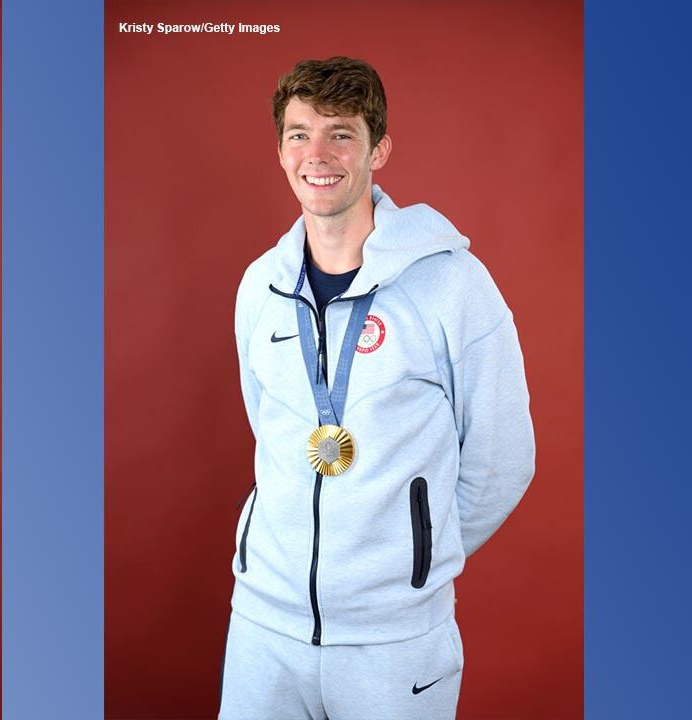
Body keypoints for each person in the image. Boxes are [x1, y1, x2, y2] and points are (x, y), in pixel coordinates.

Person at [221, 57, 534, 720]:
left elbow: (503, 459)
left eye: (341, 133)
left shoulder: (454, 286)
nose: (318, 154)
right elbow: (269, 430)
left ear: (378, 149)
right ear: (280, 151)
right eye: (300, 134)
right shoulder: (260, 286)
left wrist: (409, 558)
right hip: (262, 627)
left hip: (396, 641)